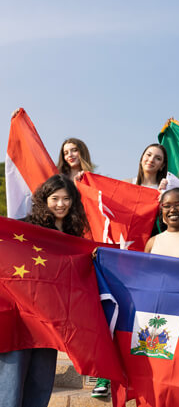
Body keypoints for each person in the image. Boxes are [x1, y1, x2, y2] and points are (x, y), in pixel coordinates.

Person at [0, 174, 89, 406]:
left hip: (50, 322)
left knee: (40, 385)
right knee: (10, 386)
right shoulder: (25, 228)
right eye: (55, 198)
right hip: (19, 319)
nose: (61, 204)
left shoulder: (74, 237)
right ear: (44, 200)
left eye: (66, 198)